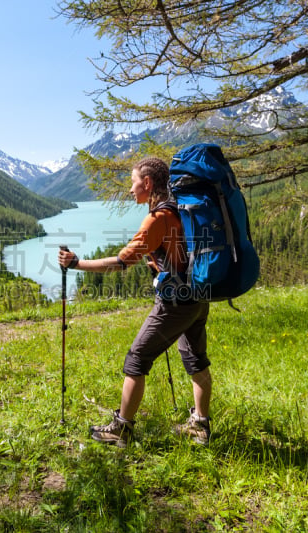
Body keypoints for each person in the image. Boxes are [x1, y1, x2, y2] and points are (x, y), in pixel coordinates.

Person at [57, 157, 213, 447]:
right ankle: (200, 427)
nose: (131, 189)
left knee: (136, 359)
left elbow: (120, 262)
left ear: (148, 183)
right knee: (195, 359)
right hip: (198, 298)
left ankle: (122, 429)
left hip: (175, 304)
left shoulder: (159, 218)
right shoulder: (181, 209)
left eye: (133, 182)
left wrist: (77, 263)